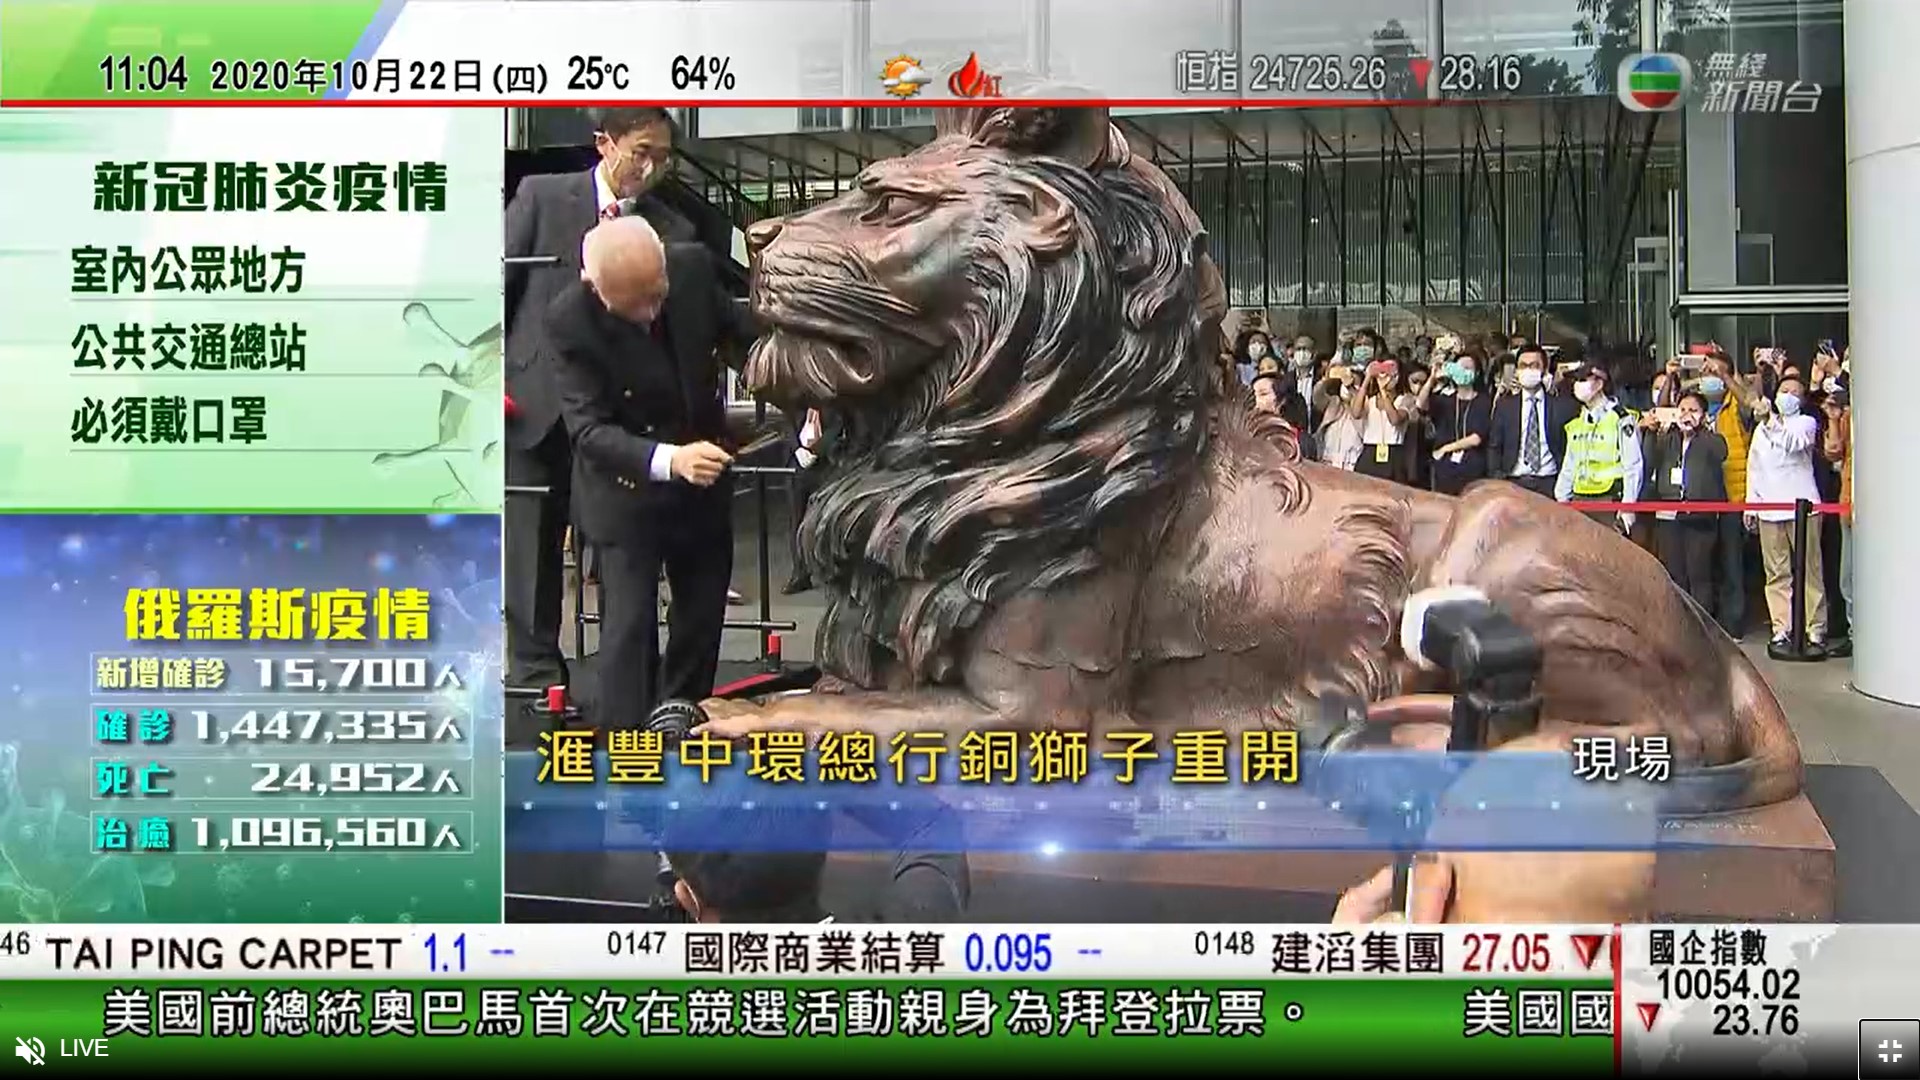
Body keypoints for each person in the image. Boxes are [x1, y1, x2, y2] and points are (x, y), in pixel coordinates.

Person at [502, 106, 694, 724]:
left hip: (618, 422)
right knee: (531, 544)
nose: (650, 168)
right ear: (603, 143)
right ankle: (536, 678)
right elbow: (494, 286)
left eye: (663, 158)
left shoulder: (669, 227)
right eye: (640, 152)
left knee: (622, 553)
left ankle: (628, 690)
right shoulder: (542, 197)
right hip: (533, 405)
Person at [546, 216, 757, 724]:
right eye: (634, 306)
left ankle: (683, 715)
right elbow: (590, 430)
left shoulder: (693, 269)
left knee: (702, 613)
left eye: (656, 296)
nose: (650, 312)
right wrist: (669, 459)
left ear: (665, 265)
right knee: (628, 624)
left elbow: (746, 339)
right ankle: (625, 740)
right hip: (626, 491)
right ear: (593, 287)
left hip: (702, 479)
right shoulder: (568, 321)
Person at [1744, 373, 1827, 659]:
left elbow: (1793, 444)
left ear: (1801, 400)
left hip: (1804, 507)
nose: (1787, 394)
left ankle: (1815, 629)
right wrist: (1751, 504)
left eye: (1794, 391)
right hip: (1769, 509)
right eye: (1783, 389)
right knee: (1776, 574)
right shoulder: (1761, 430)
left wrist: (1770, 420)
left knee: (1810, 570)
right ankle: (1782, 628)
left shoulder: (1806, 423)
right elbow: (1753, 467)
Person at [1642, 391, 1727, 615]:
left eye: (1693, 411)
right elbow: (1649, 462)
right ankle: (1678, 621)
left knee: (1700, 575)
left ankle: (1703, 624)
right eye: (1683, 410)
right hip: (1669, 515)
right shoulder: (1668, 438)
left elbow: (1721, 453)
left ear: (1703, 415)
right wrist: (1651, 433)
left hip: (1699, 516)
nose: (1687, 415)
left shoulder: (1711, 440)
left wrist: (1700, 429)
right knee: (1674, 573)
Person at [1690, 352, 1753, 639]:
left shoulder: (1734, 406)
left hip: (1732, 495)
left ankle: (1733, 625)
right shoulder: (1697, 409)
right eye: (1704, 371)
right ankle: (1703, 621)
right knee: (1703, 564)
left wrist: (1726, 376)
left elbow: (1751, 405)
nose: (1707, 377)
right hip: (1700, 497)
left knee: (1731, 564)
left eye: (1712, 371)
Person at [1555, 363, 1643, 534]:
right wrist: (1561, 498)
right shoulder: (1577, 420)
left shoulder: (1621, 418)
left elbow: (1633, 465)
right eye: (1576, 380)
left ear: (1599, 383)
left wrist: (1627, 508)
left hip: (1609, 500)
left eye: (1583, 379)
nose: (1577, 385)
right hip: (1579, 500)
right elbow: (1570, 464)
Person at [1486, 344, 1579, 498]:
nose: (1528, 370)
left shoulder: (1563, 407)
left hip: (1550, 483)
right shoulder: (1505, 406)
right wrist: (1497, 480)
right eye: (1523, 366)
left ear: (1544, 369)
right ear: (1516, 370)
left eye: (1534, 365)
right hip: (1514, 482)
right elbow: (1494, 446)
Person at [1424, 347, 1492, 496]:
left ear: (1477, 373)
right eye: (1459, 368)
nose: (1462, 371)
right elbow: (1420, 404)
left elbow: (1476, 438)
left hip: (1473, 469)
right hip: (1445, 470)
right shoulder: (1445, 399)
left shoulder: (1484, 401)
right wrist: (1432, 379)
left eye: (1467, 368)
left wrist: (1445, 449)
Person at [1817, 388, 1851, 656]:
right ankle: (1854, 634)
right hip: (1849, 505)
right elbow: (1833, 451)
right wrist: (1833, 419)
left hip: (1879, 509)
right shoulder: (1847, 418)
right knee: (1847, 579)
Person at [1349, 347, 1414, 484]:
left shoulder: (1405, 399)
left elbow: (1395, 419)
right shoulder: (1370, 401)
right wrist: (1368, 377)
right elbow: (1356, 413)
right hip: (1370, 452)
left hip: (1394, 454)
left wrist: (1383, 391)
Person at [783, 407, 826, 595]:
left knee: (823, 519)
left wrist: (818, 450)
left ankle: (827, 569)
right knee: (796, 519)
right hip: (797, 469)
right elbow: (787, 427)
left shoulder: (831, 401)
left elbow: (838, 427)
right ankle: (800, 573)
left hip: (824, 466)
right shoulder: (795, 400)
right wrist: (798, 449)